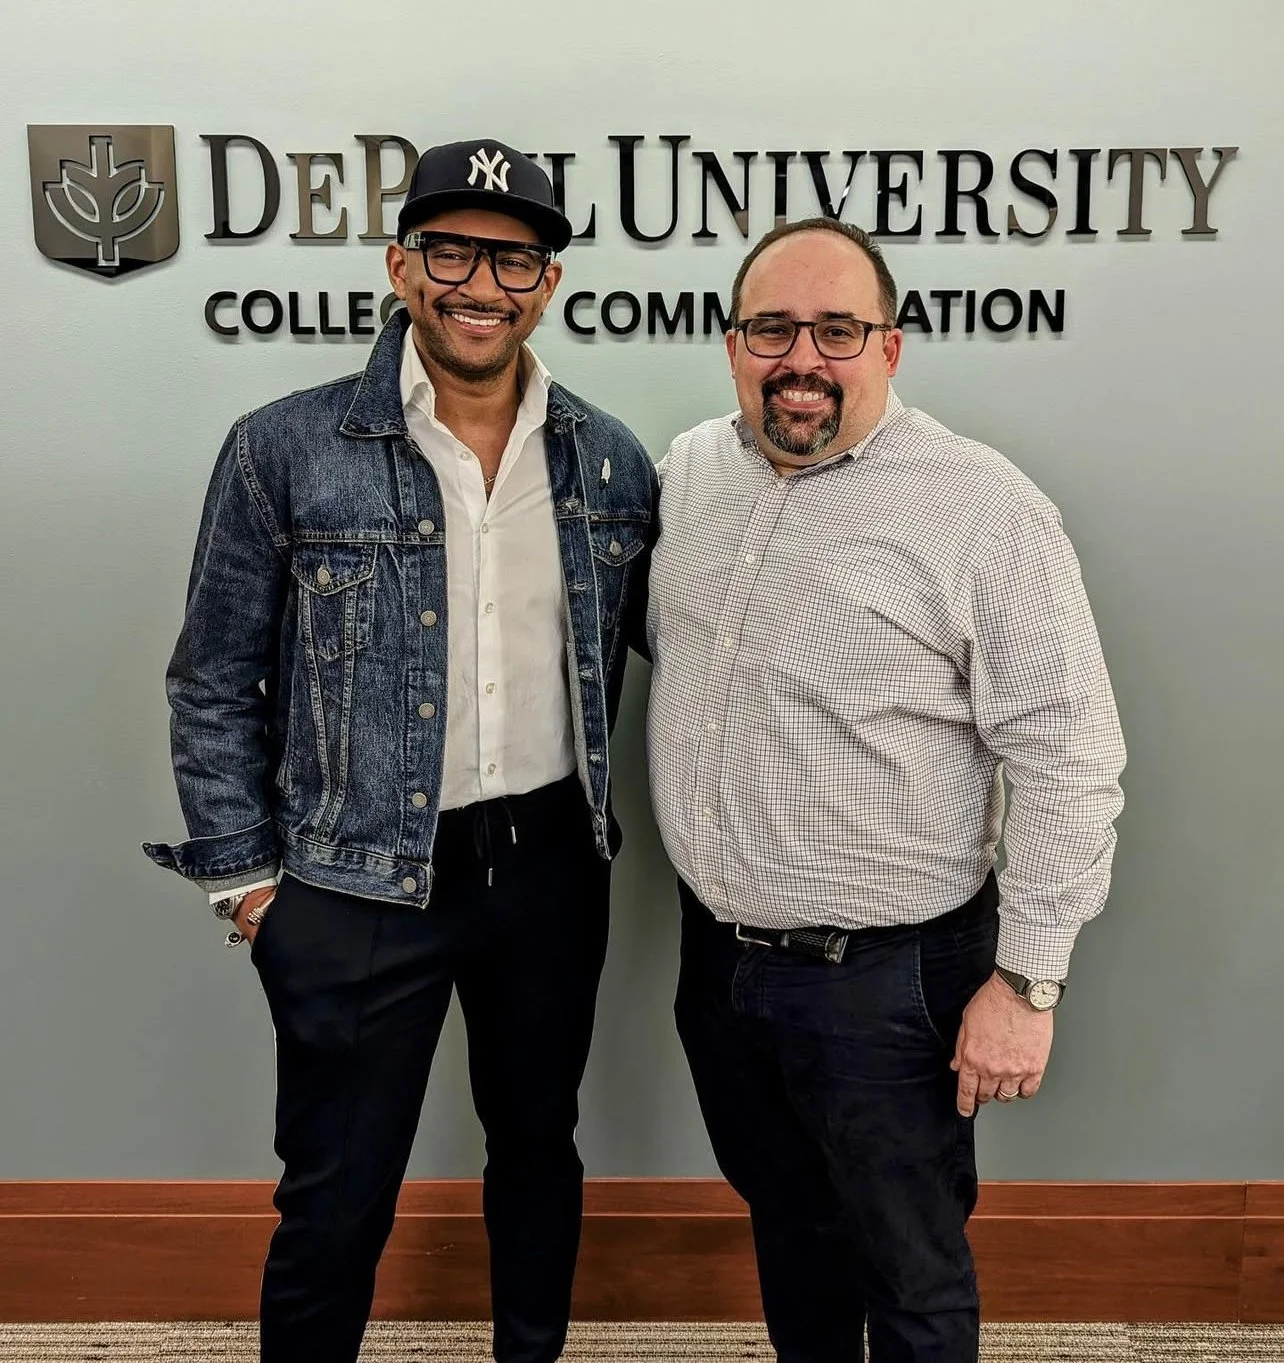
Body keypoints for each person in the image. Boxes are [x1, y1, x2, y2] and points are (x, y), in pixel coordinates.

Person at [143, 139, 658, 1363]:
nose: (482, 282)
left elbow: (685, 656)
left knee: (538, 1144)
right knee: (336, 1191)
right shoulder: (284, 447)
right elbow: (212, 677)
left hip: (546, 867)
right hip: (352, 876)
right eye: (450, 250)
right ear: (400, 266)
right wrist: (250, 884)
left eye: (515, 256)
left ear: (550, 281)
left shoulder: (609, 459)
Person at [646, 216, 1125, 1362]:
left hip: (888, 987)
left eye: (837, 329)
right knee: (792, 1238)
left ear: (891, 347)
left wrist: (1030, 980)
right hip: (720, 965)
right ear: (732, 343)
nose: (801, 357)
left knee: (910, 1271)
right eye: (772, 327)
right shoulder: (691, 473)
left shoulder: (982, 508)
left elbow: (1070, 752)